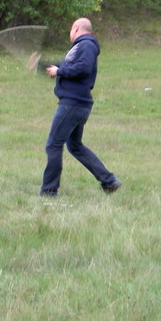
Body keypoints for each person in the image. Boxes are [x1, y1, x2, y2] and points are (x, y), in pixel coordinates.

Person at [38, 17, 121, 197]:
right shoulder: (81, 47)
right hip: (78, 104)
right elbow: (68, 65)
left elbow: (83, 68)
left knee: (53, 145)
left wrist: (59, 71)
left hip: (72, 104)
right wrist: (42, 64)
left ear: (76, 28)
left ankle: (49, 191)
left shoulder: (87, 45)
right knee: (75, 146)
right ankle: (109, 180)